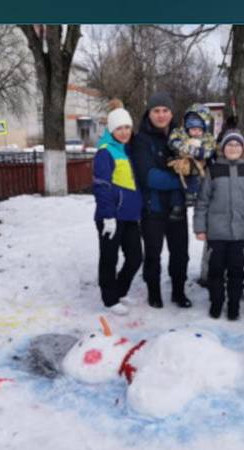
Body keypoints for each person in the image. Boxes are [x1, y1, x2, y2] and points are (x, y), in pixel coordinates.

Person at [130, 92, 192, 309]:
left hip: (177, 208)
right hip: (152, 208)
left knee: (180, 254)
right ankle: (154, 292)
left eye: (165, 110)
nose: (161, 115)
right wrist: (182, 180)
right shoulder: (141, 140)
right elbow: (149, 177)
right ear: (149, 113)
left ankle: (178, 291)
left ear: (171, 113)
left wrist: (191, 175)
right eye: (156, 110)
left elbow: (194, 166)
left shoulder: (181, 137)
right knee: (153, 254)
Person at [193, 130, 244, 321]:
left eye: (237, 145)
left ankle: (234, 305)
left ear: (243, 148)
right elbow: (203, 201)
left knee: (236, 271)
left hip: (240, 232)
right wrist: (200, 227)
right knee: (215, 270)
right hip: (217, 232)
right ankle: (216, 302)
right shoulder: (213, 170)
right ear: (223, 149)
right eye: (229, 145)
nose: (233, 148)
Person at [92, 100, 143, 315]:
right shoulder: (105, 152)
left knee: (135, 258)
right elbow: (102, 186)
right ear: (111, 130)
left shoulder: (128, 150)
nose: (124, 132)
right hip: (111, 217)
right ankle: (109, 299)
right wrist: (108, 216)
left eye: (127, 128)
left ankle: (119, 291)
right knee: (109, 258)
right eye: (119, 128)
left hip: (130, 216)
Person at [166, 104, 217, 221]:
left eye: (199, 130)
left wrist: (198, 152)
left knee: (195, 176)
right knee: (176, 182)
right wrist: (182, 146)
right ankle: (176, 206)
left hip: (197, 165)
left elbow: (209, 150)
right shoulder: (180, 132)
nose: (196, 133)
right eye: (193, 129)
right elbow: (172, 141)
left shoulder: (207, 138)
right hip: (180, 161)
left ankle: (191, 195)